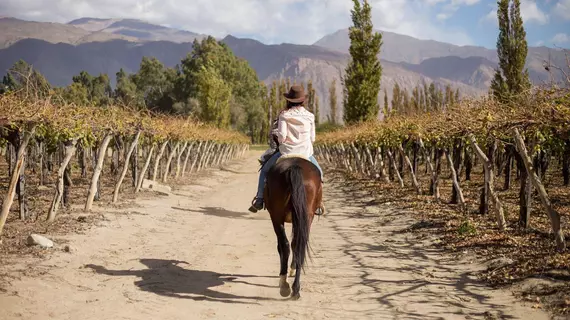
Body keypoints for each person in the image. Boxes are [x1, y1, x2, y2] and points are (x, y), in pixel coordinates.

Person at [249, 84, 323, 213]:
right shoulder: (310, 116)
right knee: (320, 173)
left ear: (288, 100)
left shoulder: (284, 115)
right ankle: (318, 203)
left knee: (265, 171)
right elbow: (313, 138)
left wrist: (281, 140)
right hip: (305, 154)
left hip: (286, 152)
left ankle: (260, 199)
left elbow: (282, 137)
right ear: (303, 101)